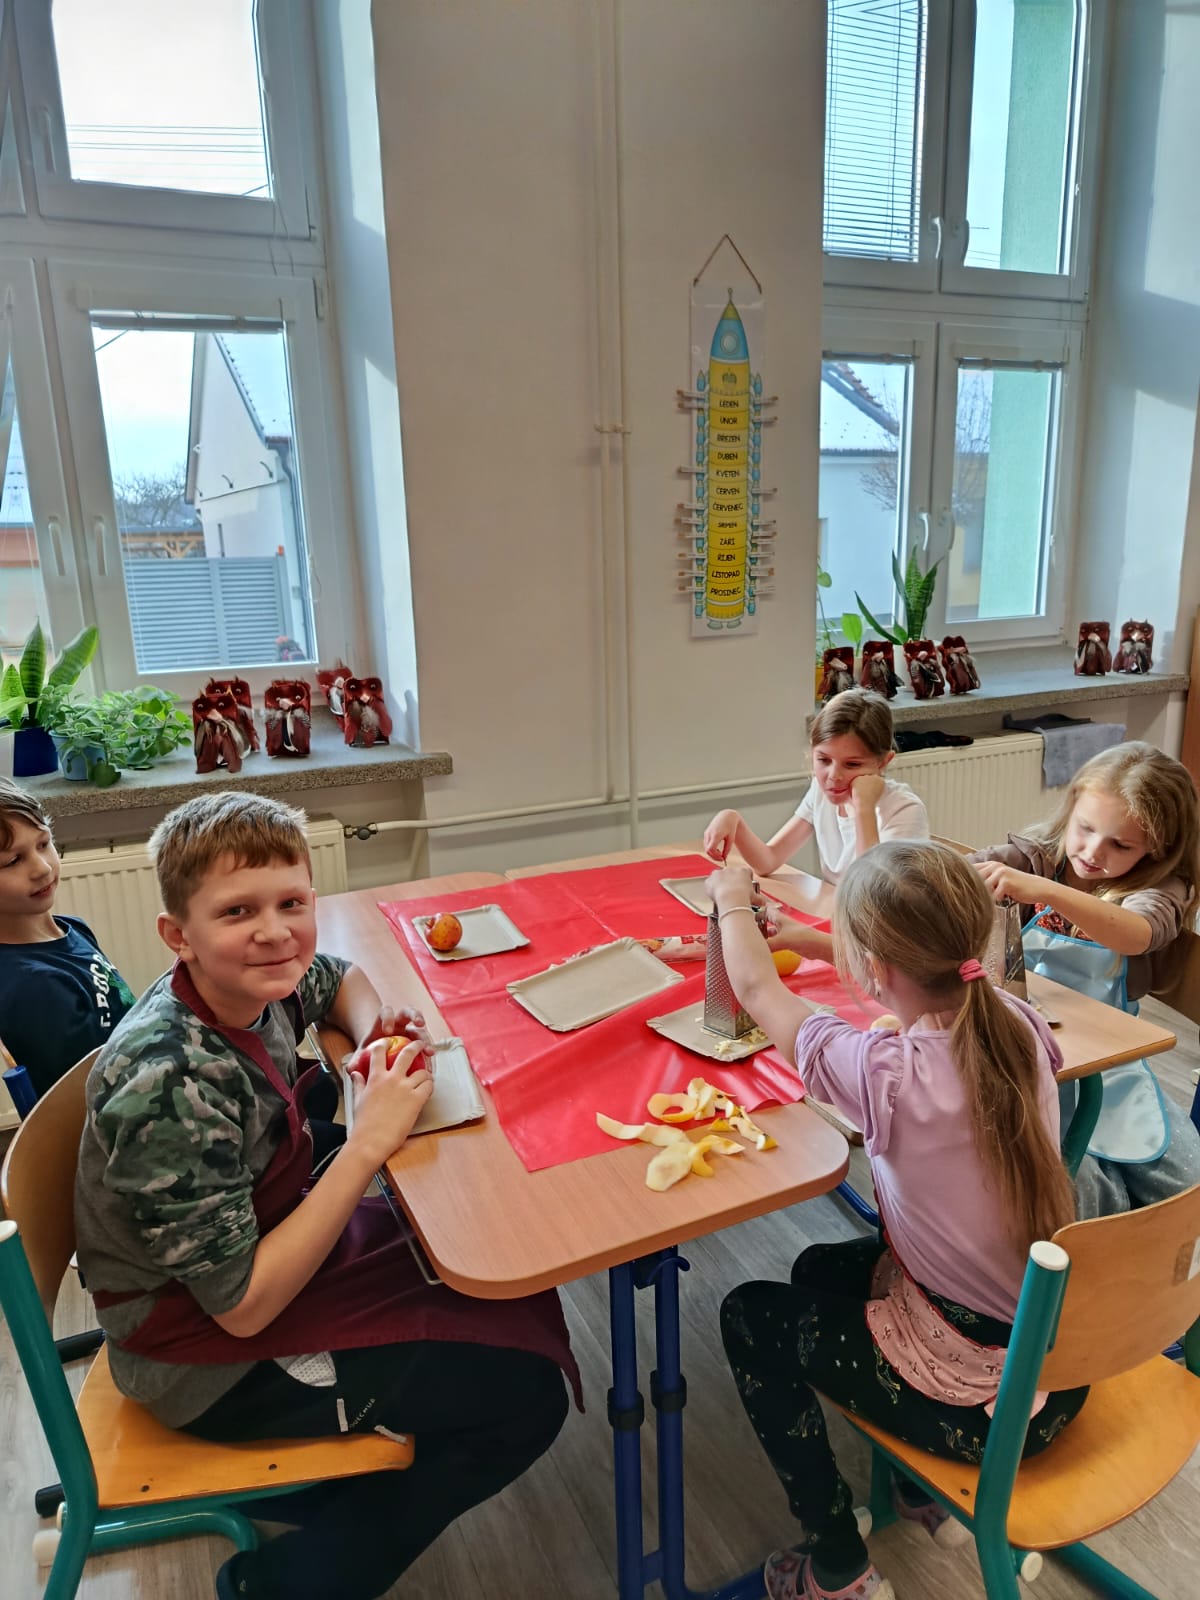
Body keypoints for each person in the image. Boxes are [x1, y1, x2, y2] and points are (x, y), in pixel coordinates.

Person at [74, 791, 575, 1600]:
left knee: (492, 1278)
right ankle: (286, 1582)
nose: (276, 932)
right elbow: (243, 1309)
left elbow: (337, 977)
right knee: (524, 1396)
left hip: (250, 1261)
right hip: (198, 1362)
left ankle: (346, 1496)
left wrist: (372, 1032)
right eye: (238, 911)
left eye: (292, 904)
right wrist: (368, 1139)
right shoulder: (167, 1084)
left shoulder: (254, 982)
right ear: (178, 936)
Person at [709, 842, 1085, 1600]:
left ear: (875, 969)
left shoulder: (883, 1074)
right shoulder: (1014, 1019)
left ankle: (837, 1565)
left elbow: (752, 984)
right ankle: (922, 1487)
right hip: (1059, 1356)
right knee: (817, 1269)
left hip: (991, 1408)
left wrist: (732, 898)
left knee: (749, 1315)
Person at [972, 740, 1200, 1217]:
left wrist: (1047, 891)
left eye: (1121, 845)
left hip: (1109, 1065)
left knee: (1184, 1184)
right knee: (1072, 1185)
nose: (1093, 852)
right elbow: (953, 873)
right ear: (1071, 808)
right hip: (1022, 1057)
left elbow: (1137, 934)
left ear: (1157, 848)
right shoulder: (1035, 856)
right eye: (1086, 828)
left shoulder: (1160, 888)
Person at [703, 688, 929, 886]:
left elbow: (871, 893)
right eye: (823, 760)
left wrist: (864, 809)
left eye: (852, 764)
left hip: (871, 919)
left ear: (883, 762)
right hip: (835, 913)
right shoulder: (821, 792)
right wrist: (734, 820)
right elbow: (767, 861)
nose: (834, 776)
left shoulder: (904, 810)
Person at [0, 777, 135, 1099]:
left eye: (43, 843)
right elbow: (83, 1097)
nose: (42, 868)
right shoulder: (33, 986)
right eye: (13, 861)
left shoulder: (72, 927)